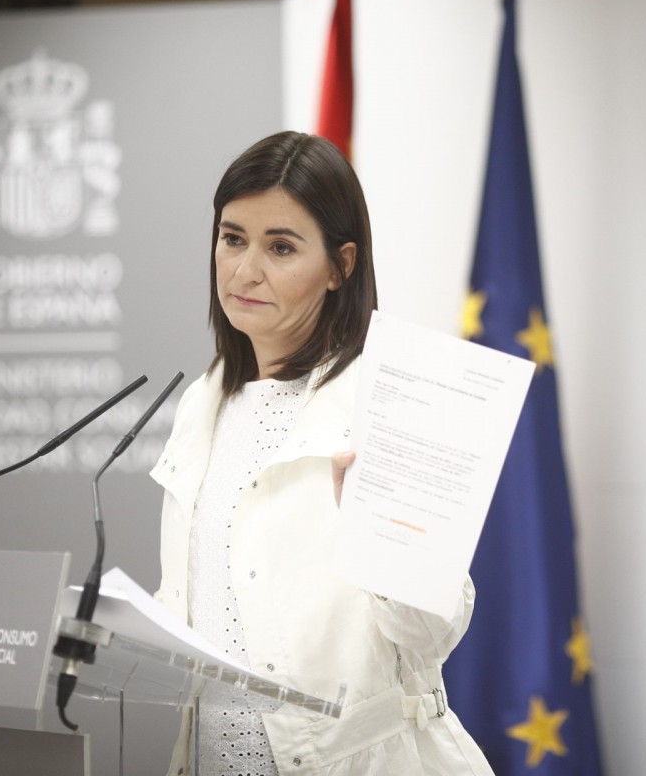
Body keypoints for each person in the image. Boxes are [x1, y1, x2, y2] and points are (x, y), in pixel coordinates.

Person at [151, 131, 495, 776]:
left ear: (341, 266)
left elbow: (429, 640)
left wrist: (389, 540)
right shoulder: (202, 402)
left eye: (280, 247)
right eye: (232, 238)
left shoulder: (393, 401)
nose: (245, 269)